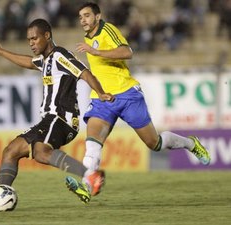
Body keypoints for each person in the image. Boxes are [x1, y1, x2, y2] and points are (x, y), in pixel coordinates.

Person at [65, 2, 211, 203]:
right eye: (81, 16)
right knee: (92, 145)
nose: (83, 19)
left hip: (126, 95)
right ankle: (86, 185)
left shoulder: (108, 30)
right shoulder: (87, 38)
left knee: (154, 143)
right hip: (101, 98)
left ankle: (190, 143)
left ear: (98, 17)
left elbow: (128, 52)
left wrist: (97, 51)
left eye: (87, 15)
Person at [0, 18, 114, 210]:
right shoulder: (45, 60)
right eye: (28, 39)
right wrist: (0, 51)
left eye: (34, 38)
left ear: (47, 36)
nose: (31, 43)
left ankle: (90, 175)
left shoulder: (60, 56)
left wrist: (100, 93)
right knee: (11, 151)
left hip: (62, 119)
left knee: (41, 152)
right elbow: (28, 62)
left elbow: (85, 73)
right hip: (49, 120)